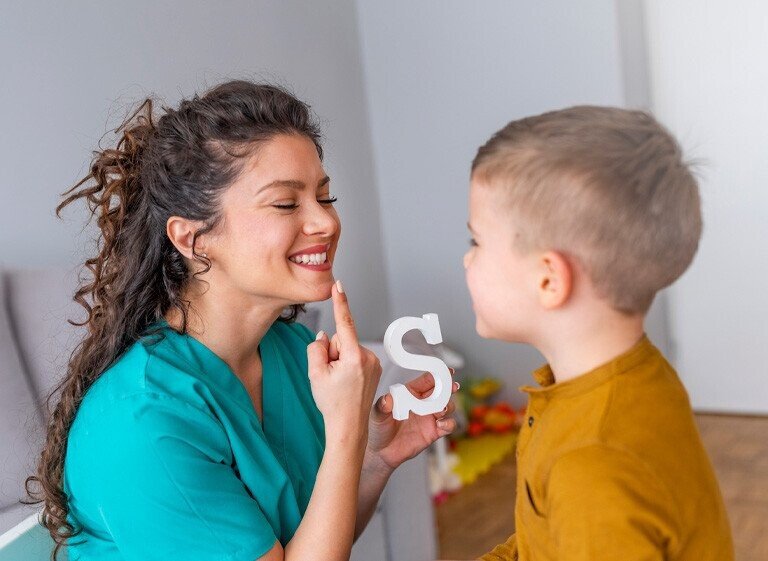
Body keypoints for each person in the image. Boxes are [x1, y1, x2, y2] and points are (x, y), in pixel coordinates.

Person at [26, 80, 458, 561]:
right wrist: (346, 431)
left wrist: (374, 459)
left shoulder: (292, 351)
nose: (327, 222)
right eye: (286, 203)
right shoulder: (145, 420)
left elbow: (309, 545)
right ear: (193, 239)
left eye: (325, 196)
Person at [459, 106, 733, 560]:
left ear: (549, 279)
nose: (468, 260)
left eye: (476, 243)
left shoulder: (592, 464)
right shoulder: (631, 376)